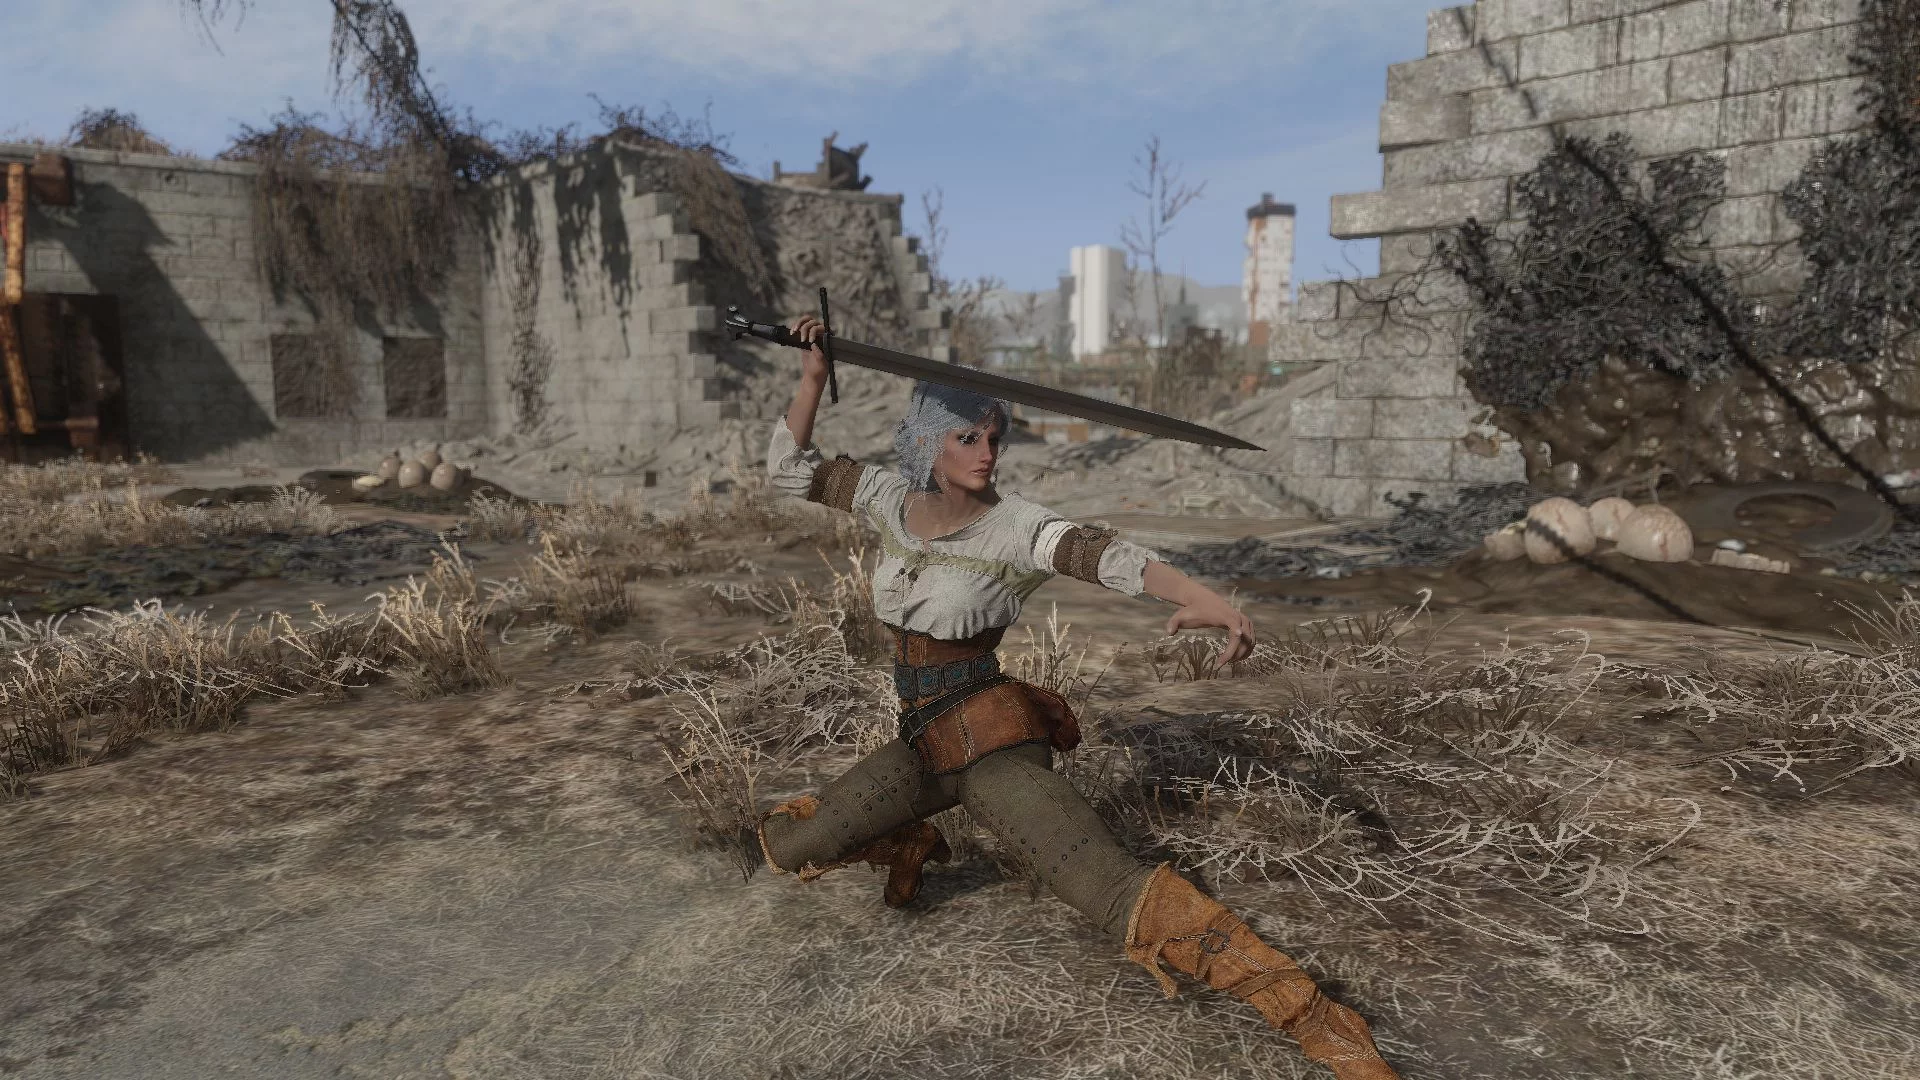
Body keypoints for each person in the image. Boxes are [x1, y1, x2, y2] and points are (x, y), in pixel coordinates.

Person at [753, 315, 1399, 1080]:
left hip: (991, 743)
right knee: (789, 846)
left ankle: (1321, 1022)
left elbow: (1102, 554)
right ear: (926, 441)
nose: (987, 452)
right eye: (968, 437)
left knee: (1110, 889)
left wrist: (1199, 597)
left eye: (995, 437)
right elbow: (788, 470)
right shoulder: (886, 498)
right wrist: (813, 378)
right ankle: (907, 838)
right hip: (921, 743)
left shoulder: (1017, 527)